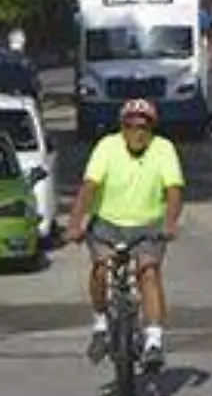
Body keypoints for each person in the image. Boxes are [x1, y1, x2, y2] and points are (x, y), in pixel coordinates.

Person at [65, 99, 185, 368]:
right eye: (130, 126)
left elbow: (174, 190)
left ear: (152, 128)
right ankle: (100, 324)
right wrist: (75, 223)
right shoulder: (107, 146)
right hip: (108, 223)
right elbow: (89, 186)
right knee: (100, 268)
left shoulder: (163, 149)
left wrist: (170, 222)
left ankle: (153, 340)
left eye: (143, 126)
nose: (137, 132)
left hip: (148, 225)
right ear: (122, 128)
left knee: (148, 272)